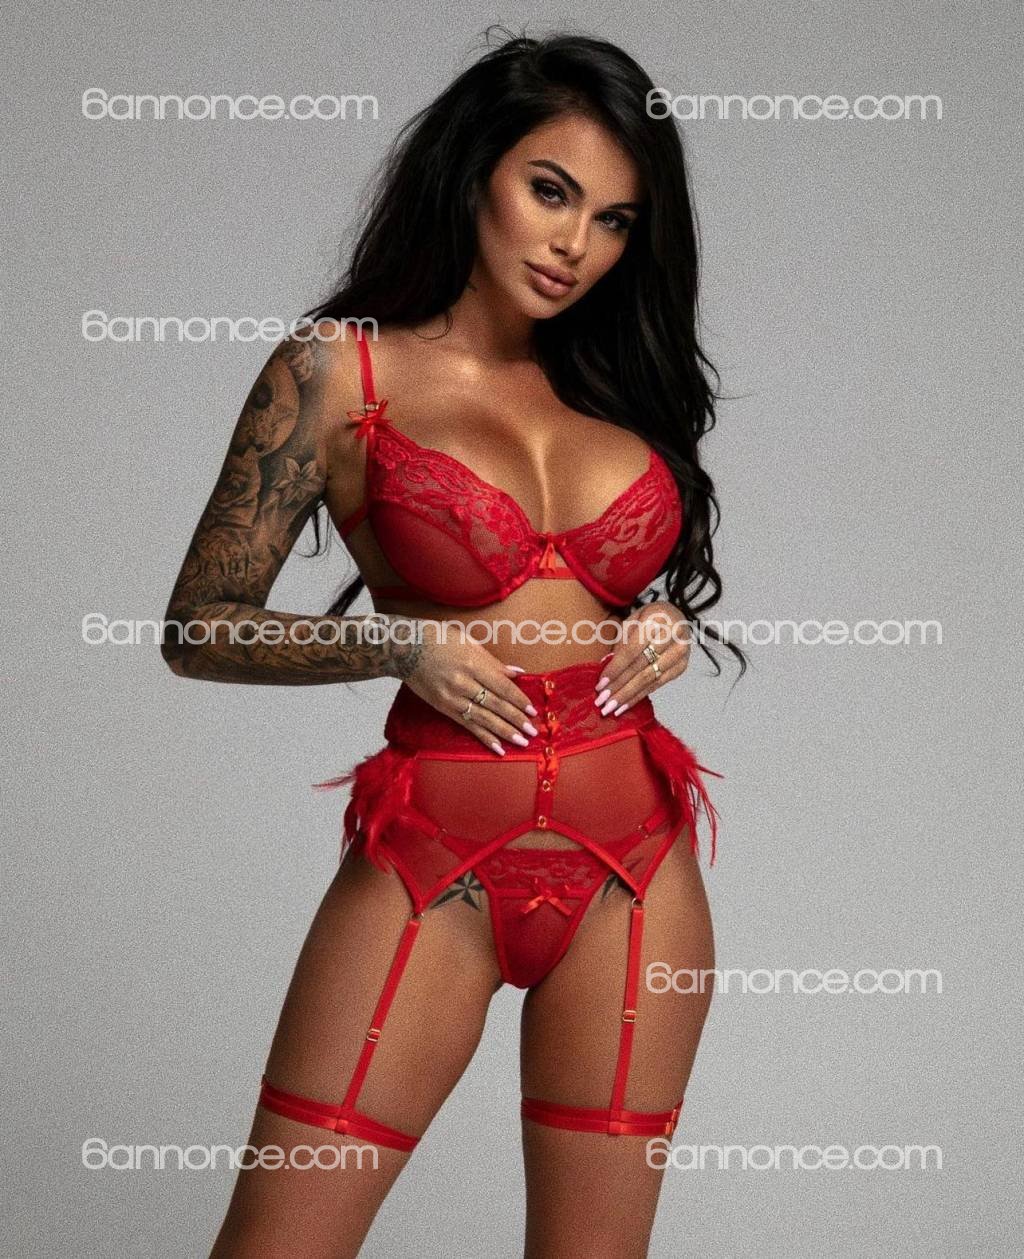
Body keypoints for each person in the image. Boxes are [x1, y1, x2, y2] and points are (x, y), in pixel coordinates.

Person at [162, 30, 745, 1259]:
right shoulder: (339, 373)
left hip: (634, 868)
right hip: (435, 859)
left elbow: (593, 595)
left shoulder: (612, 383)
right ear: (476, 168)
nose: (574, 243)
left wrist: (660, 622)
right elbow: (197, 625)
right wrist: (397, 647)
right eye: (550, 190)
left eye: (615, 220)